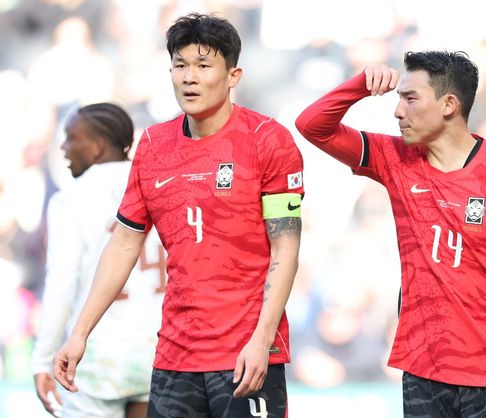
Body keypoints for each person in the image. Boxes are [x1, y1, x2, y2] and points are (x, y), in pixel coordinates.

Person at [295, 51, 486, 417]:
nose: (398, 111)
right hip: (423, 375)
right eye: (399, 99)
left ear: (449, 105)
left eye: (410, 98)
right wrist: (359, 86)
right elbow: (312, 125)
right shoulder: (395, 159)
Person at [53, 13, 304, 418]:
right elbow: (124, 242)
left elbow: (285, 248)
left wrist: (262, 340)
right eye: (180, 65)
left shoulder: (268, 140)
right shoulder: (153, 144)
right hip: (174, 357)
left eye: (203, 66)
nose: (190, 78)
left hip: (247, 353)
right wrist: (80, 333)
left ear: (233, 76)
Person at [32, 103, 165, 418]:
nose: (64, 148)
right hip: (158, 352)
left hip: (96, 359)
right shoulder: (158, 187)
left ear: (97, 146)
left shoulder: (70, 200)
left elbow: (61, 284)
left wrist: (43, 360)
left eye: (71, 138)